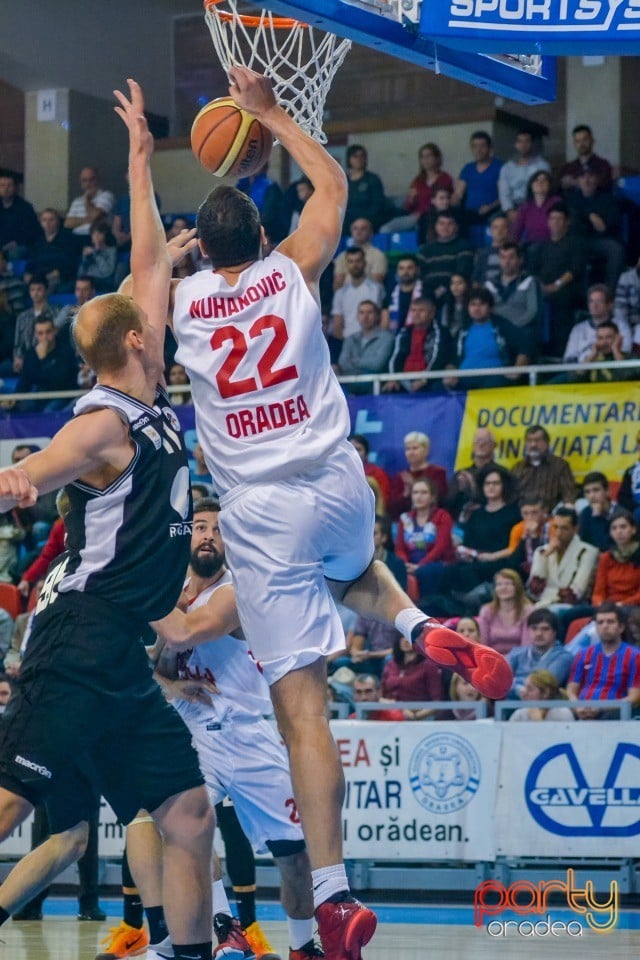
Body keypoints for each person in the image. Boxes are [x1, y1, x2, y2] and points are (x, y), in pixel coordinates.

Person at [128, 68, 512, 959]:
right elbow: (333, 187)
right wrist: (272, 114)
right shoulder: (294, 270)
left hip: (258, 508)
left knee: (302, 706)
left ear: (204, 250)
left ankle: (333, 898)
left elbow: (147, 265)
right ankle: (417, 622)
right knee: (355, 575)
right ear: (263, 235)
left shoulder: (183, 306)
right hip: (338, 481)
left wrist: (148, 166)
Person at [0, 80, 215, 960]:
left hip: (122, 649)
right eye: (153, 322)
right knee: (14, 799)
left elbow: (148, 251)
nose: (164, 317)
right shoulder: (103, 423)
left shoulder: (147, 381)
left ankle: (189, 951)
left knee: (189, 810)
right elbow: (37, 471)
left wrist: (139, 152)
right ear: (136, 340)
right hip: (78, 639)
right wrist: (18, 482)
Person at [152, 498, 322, 960]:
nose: (208, 535)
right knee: (187, 827)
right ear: (186, 537)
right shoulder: (175, 593)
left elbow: (187, 631)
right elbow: (158, 666)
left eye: (218, 529)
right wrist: (171, 684)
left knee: (295, 855)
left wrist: (142, 593)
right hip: (194, 731)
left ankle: (304, 944)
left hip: (248, 731)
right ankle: (226, 927)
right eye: (200, 526)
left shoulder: (237, 588)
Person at [528, 203, 586, 357]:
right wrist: (540, 286)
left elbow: (575, 269)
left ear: (567, 222)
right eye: (552, 218)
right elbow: (533, 270)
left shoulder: (576, 243)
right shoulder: (542, 246)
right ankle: (536, 352)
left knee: (561, 300)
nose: (556, 222)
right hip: (543, 289)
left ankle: (560, 352)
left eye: (559, 219)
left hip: (567, 289)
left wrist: (556, 285)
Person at [567, 604, 640, 719]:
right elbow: (571, 690)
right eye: (600, 623)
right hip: (581, 711)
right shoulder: (583, 654)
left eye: (610, 622)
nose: (605, 626)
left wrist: (600, 707)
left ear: (621, 627)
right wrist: (577, 707)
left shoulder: (635, 656)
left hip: (615, 714)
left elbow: (634, 698)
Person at [445, 287, 524, 390]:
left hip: (495, 377)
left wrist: (517, 369)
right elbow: (452, 360)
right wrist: (450, 373)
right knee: (439, 387)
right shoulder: (462, 331)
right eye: (473, 304)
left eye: (482, 304)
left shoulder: (502, 326)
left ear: (490, 308)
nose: (477, 309)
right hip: (464, 378)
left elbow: (525, 347)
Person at [528, 507, 599, 612]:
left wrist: (548, 595)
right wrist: (545, 556)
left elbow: (574, 594)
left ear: (575, 529)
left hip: (571, 609)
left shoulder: (588, 552)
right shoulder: (542, 551)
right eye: (555, 527)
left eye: (564, 528)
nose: (558, 533)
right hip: (540, 606)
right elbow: (534, 590)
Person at [567, 168, 625, 293]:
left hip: (600, 241)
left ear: (597, 180)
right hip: (577, 242)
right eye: (583, 177)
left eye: (590, 176)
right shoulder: (571, 199)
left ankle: (609, 295)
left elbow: (608, 225)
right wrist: (591, 216)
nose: (587, 180)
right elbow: (573, 223)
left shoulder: (608, 198)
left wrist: (588, 219)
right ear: (578, 181)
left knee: (616, 249)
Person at [394, 477, 454, 598]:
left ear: (432, 497)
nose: (419, 497)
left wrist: (420, 565)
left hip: (437, 564)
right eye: (415, 492)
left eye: (424, 493)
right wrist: (405, 564)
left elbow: (440, 548)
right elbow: (399, 548)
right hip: (410, 564)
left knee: (426, 572)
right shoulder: (405, 518)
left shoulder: (442, 516)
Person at [485, 242, 542, 362]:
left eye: (511, 257)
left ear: (520, 260)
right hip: (496, 332)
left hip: (521, 331)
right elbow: (486, 311)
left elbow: (533, 311)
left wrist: (512, 328)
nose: (507, 261)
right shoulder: (490, 284)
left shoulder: (530, 281)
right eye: (503, 257)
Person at [381, 142, 453, 235]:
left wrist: (422, 213)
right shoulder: (418, 180)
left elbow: (445, 202)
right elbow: (408, 207)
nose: (425, 160)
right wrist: (410, 200)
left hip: (434, 216)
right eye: (422, 157)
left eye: (429, 156)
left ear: (437, 158)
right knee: (385, 229)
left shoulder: (445, 178)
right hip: (415, 216)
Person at [384, 296, 453, 393]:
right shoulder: (404, 332)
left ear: (432, 313)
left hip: (430, 379)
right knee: (389, 388)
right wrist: (393, 378)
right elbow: (395, 356)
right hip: (405, 378)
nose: (416, 314)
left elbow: (438, 359)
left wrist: (424, 380)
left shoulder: (441, 332)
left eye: (421, 311)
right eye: (413, 310)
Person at [506, 608, 574, 698]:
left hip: (547, 707)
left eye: (545, 629)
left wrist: (514, 684)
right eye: (534, 628)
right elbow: (500, 681)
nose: (538, 633)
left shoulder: (564, 658)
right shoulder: (516, 653)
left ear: (555, 632)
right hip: (510, 704)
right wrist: (519, 688)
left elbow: (542, 685)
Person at [511, 425, 577, 512]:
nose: (533, 444)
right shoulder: (518, 467)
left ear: (547, 443)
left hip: (550, 516)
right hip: (521, 515)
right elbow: (510, 495)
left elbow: (569, 494)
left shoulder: (560, 465)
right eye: (530, 440)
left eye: (537, 440)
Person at [562, 284, 632, 364]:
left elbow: (625, 354)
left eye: (599, 301)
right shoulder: (578, 329)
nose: (594, 305)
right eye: (591, 301)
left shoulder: (622, 326)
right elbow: (569, 359)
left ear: (609, 305)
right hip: (583, 372)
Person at [335, 299, 394, 392]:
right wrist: (364, 363)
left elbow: (377, 364)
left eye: (369, 312)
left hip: (374, 387)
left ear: (377, 316)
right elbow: (343, 363)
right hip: (349, 386)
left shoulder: (387, 337)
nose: (365, 317)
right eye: (362, 313)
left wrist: (354, 361)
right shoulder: (350, 339)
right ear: (357, 317)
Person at [388, 430, 448, 518]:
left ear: (426, 451)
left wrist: (414, 485)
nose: (411, 452)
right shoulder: (400, 477)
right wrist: (406, 493)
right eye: (408, 449)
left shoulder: (438, 473)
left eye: (415, 448)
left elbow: (440, 500)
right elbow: (391, 508)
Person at [417, 211, 474, 304]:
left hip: (451, 292)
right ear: (436, 226)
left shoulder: (463, 247)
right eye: (441, 223)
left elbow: (462, 273)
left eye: (450, 224)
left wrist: (442, 289)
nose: (445, 227)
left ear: (456, 227)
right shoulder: (425, 249)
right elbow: (420, 274)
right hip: (428, 292)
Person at [330, 246, 385, 340]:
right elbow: (337, 325)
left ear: (364, 263)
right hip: (347, 341)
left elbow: (382, 319)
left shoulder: (376, 289)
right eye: (350, 261)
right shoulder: (340, 293)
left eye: (358, 261)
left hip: (372, 340)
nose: (355, 265)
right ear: (346, 265)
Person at [453, 131, 502, 230]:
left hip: (492, 211)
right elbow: (458, 194)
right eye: (475, 146)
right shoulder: (468, 168)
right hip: (470, 212)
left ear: (490, 148)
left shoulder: (500, 167)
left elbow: (504, 196)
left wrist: (490, 207)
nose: (478, 150)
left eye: (482, 146)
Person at [498, 130, 551, 224]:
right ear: (516, 144)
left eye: (527, 141)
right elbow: (504, 193)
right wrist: (509, 211)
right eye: (520, 141)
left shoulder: (542, 165)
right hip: (513, 207)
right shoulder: (506, 168)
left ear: (532, 144)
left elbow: (545, 190)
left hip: (535, 206)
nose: (523, 145)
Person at [381, 635, 442, 714]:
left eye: (410, 637)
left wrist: (416, 716)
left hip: (418, 716)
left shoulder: (429, 666)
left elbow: (436, 702)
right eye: (402, 637)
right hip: (389, 713)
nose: (406, 640)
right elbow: (381, 694)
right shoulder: (391, 663)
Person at [478, 569, 532, 656]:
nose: (503, 588)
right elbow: (483, 644)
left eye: (508, 584)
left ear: (517, 587)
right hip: (492, 659)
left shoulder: (528, 611)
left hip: (519, 660)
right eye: (499, 584)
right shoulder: (486, 611)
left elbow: (526, 645)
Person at [343, 144, 389, 234]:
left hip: (370, 218)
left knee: (360, 227)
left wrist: (362, 219)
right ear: (349, 159)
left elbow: (378, 205)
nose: (359, 159)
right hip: (348, 219)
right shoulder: (343, 181)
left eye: (362, 156)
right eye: (355, 156)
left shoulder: (373, 179)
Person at [333, 217, 387, 290]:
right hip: (346, 296)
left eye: (363, 229)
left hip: (370, 296)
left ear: (371, 233)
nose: (358, 232)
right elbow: (338, 284)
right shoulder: (342, 256)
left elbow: (376, 283)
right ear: (351, 232)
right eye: (355, 229)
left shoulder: (378, 255)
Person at [510, 170, 560, 246]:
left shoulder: (557, 202)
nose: (540, 183)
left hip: (553, 245)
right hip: (531, 246)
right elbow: (517, 231)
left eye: (544, 180)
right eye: (536, 180)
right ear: (531, 185)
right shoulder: (525, 207)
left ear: (549, 185)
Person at [0, 171, 42, 261]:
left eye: (9, 185)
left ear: (15, 188)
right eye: (2, 186)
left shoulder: (25, 207)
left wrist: (15, 242)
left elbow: (31, 232)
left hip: (18, 244)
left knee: (14, 254)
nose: (5, 189)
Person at [560, 124, 613, 193]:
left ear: (592, 141)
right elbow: (561, 188)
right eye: (577, 141)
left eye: (585, 139)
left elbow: (604, 185)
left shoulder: (603, 165)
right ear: (574, 144)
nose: (581, 144)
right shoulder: (568, 167)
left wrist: (575, 182)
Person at [64, 166, 114, 236]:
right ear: (81, 183)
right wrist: (88, 219)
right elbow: (68, 223)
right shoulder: (76, 201)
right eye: (84, 180)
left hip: (98, 238)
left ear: (98, 180)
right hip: (76, 237)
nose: (88, 183)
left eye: (92, 179)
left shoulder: (106, 196)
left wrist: (87, 199)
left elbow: (95, 216)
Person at [508, 669, 575, 721]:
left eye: (530, 689)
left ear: (546, 693)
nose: (524, 693)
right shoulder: (519, 715)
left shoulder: (563, 714)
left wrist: (538, 722)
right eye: (525, 687)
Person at [381, 255, 423, 333]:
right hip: (395, 337)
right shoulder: (390, 294)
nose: (405, 272)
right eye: (401, 268)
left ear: (417, 270)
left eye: (409, 268)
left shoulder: (425, 292)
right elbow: (384, 326)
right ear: (397, 271)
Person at [348, 436, 391, 512]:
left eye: (358, 449)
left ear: (366, 454)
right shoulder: (338, 472)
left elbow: (383, 500)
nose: (354, 452)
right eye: (351, 449)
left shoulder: (377, 473)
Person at [578, 471, 616, 551]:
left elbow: (605, 547)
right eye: (587, 492)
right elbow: (584, 544)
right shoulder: (585, 513)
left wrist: (597, 518)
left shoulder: (621, 514)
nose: (591, 496)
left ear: (607, 491)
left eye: (596, 490)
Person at [472, 213, 509, 286]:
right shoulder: (481, 253)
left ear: (508, 230)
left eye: (503, 227)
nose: (499, 231)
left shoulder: (514, 252)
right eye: (496, 227)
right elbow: (476, 280)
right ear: (491, 231)